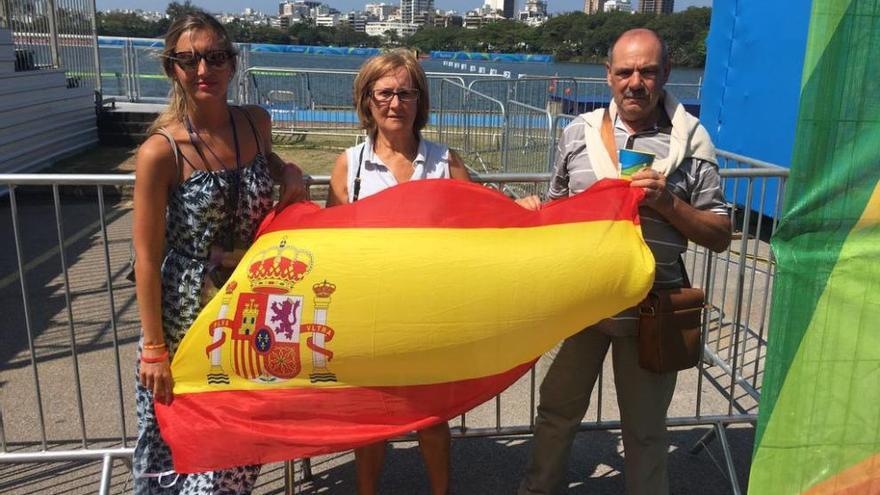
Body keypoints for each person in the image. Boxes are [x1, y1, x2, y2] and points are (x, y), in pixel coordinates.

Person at [518, 29, 731, 495]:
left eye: (647, 71)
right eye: (625, 71)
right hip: (581, 306)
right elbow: (555, 210)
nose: (636, 82)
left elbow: (720, 235)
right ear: (608, 76)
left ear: (666, 75)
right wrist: (534, 212)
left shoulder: (691, 142)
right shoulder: (579, 133)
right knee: (556, 415)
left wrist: (669, 204)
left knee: (646, 432)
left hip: (653, 310)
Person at [327, 48, 536, 495]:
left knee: (431, 418)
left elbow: (484, 219)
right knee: (372, 418)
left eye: (406, 93)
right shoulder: (351, 165)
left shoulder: (445, 161)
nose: (395, 103)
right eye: (384, 93)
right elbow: (330, 240)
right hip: (373, 314)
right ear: (367, 100)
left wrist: (522, 214)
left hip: (431, 313)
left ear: (421, 102)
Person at [132, 11, 305, 494]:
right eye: (188, 60)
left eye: (215, 57)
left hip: (249, 310)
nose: (203, 69)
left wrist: (288, 169)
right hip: (185, 314)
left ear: (232, 64)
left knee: (238, 440)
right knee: (178, 440)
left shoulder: (255, 123)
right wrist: (153, 349)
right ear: (172, 69)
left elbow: (267, 166)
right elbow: (146, 259)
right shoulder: (161, 152)